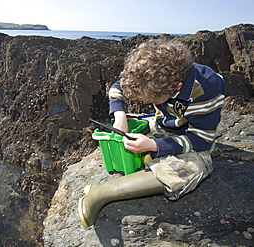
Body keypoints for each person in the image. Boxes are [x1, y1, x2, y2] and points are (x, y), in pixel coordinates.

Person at [78, 39, 226, 228]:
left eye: (151, 99)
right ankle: (149, 159)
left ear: (177, 87)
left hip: (191, 135)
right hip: (161, 125)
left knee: (192, 169)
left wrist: (154, 146)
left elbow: (202, 139)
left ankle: (100, 193)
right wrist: (120, 116)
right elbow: (117, 87)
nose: (146, 101)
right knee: (125, 128)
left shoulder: (207, 89)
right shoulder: (149, 74)